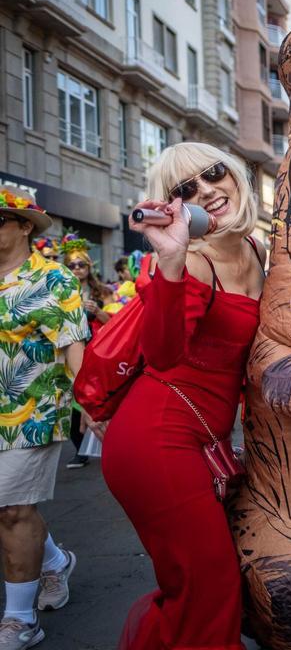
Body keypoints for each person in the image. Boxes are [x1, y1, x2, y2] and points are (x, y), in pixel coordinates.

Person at [100, 143, 265, 650]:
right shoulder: (191, 262)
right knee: (208, 588)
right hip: (155, 441)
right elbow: (163, 354)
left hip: (208, 439)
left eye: (214, 173)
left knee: (205, 589)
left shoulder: (259, 249)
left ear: (234, 173)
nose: (207, 190)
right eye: (187, 189)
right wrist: (170, 263)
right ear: (176, 207)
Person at [0, 185, 87, 650]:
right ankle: (54, 562)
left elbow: (73, 344)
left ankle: (20, 620)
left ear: (24, 226)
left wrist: (90, 402)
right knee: (7, 508)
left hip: (33, 410)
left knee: (12, 510)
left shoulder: (52, 279)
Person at [59, 234, 112, 470]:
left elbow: (117, 325)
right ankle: (81, 450)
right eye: (71, 265)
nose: (77, 269)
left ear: (89, 267)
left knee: (98, 401)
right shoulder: (60, 292)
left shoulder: (102, 291)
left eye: (81, 264)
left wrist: (98, 312)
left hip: (96, 354)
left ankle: (112, 445)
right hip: (69, 353)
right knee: (73, 405)